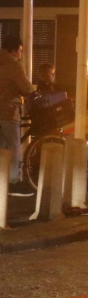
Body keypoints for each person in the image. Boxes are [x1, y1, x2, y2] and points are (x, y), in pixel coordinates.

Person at [0, 36, 36, 197]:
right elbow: (26, 88)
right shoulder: (14, 64)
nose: (21, 54)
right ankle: (13, 182)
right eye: (20, 51)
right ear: (14, 50)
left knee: (1, 148)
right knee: (15, 148)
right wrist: (33, 90)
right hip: (7, 111)